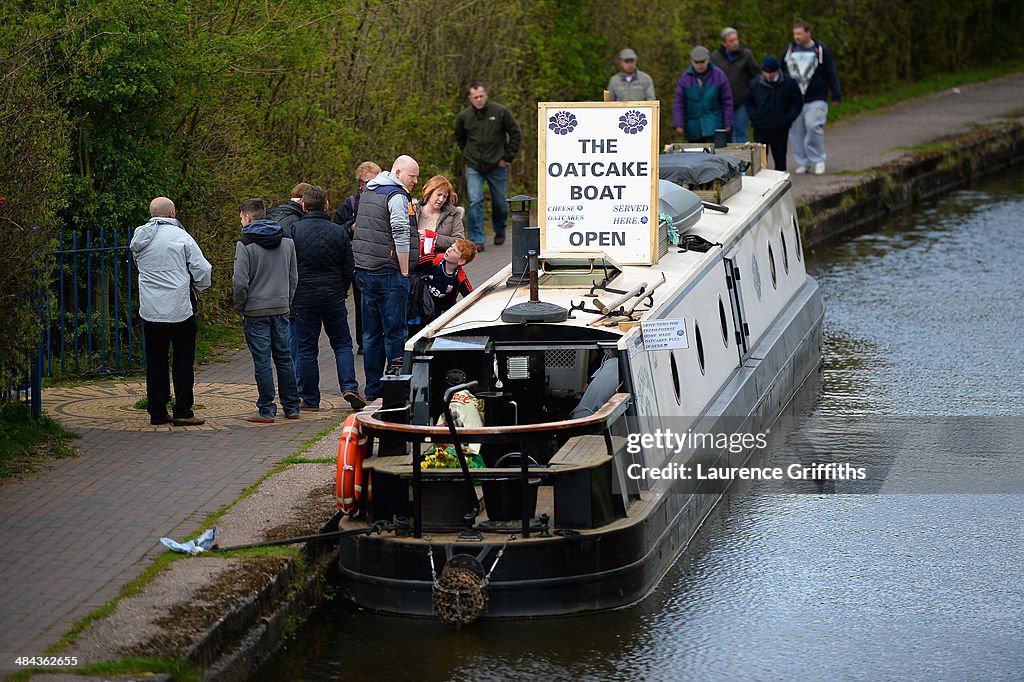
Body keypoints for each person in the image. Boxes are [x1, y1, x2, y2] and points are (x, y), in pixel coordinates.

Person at [130, 197, 212, 426]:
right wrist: (198, 286)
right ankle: (183, 411)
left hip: (150, 309)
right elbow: (202, 269)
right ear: (172, 213)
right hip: (180, 308)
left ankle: (157, 411)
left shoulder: (139, 238)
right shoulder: (182, 237)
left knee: (156, 361)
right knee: (183, 361)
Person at [286, 185, 365, 412]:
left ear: (303, 205)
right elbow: (348, 265)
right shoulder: (338, 231)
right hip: (333, 297)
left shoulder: (294, 231)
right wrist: (341, 290)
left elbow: (289, 266)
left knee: (306, 349)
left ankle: (310, 398)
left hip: (303, 298)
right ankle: (349, 387)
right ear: (326, 205)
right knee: (342, 344)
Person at [352, 155, 420, 401]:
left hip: (364, 270)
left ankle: (372, 389)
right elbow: (400, 231)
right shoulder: (397, 195)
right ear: (398, 171)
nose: (415, 181)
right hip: (389, 271)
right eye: (412, 176)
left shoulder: (369, 191)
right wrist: (404, 270)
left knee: (370, 334)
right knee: (395, 332)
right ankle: (395, 391)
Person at [233, 198, 300, 423]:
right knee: (284, 357)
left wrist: (240, 306)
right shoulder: (286, 241)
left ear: (248, 217)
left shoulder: (245, 244)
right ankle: (291, 406)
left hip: (255, 309)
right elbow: (293, 277)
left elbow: (240, 281)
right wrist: (287, 301)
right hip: (280, 306)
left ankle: (266, 409)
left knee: (262, 359)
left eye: (241, 217)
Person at [454, 82, 522, 251]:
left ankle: (500, 230)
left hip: (497, 165)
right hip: (475, 166)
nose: (479, 100)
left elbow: (515, 133)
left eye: (481, 96)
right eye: (475, 97)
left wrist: (507, 157)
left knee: (499, 202)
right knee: (475, 200)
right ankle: (477, 239)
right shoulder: (464, 117)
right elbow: (460, 138)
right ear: (470, 98)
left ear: (486, 95)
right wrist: (467, 155)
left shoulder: (499, 112)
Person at [780, 20, 842, 174]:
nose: (797, 37)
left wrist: (836, 94)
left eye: (800, 33)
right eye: (795, 34)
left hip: (816, 97)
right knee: (796, 131)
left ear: (808, 33)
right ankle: (803, 162)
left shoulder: (820, 50)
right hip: (794, 99)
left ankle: (818, 159)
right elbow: (781, 72)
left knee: (813, 126)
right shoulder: (790, 50)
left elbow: (830, 72)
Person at [333, 161, 382, 356]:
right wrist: (350, 227)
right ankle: (364, 342)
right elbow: (336, 230)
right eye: (366, 182)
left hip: (380, 259)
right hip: (357, 261)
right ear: (359, 184)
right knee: (362, 303)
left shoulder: (385, 201)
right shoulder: (350, 204)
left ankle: (380, 338)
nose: (370, 187)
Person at [745, 56, 804, 172]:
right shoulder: (755, 84)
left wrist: (788, 118)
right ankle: (762, 184)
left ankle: (781, 182)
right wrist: (754, 117)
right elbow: (749, 102)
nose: (768, 75)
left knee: (780, 158)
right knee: (761, 160)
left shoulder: (789, 83)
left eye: (771, 72)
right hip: (761, 127)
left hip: (780, 128)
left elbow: (797, 102)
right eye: (766, 72)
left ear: (777, 70)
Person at [408, 239, 477, 336]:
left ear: (461, 261)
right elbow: (412, 267)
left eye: (454, 251)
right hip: (419, 306)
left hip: (440, 314)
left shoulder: (460, 277)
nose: (449, 250)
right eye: (451, 247)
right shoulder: (435, 259)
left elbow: (472, 298)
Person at [672, 45, 734, 143]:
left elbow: (727, 101)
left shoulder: (718, 75)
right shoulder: (685, 78)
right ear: (692, 62)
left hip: (714, 127)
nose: (700, 65)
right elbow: (679, 102)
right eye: (696, 62)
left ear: (708, 60)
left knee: (713, 157)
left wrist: (728, 122)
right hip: (693, 129)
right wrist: (678, 123)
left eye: (702, 62)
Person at [710, 28, 760, 143]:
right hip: (721, 103)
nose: (735, 43)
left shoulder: (746, 55)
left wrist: (752, 96)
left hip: (741, 101)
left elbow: (755, 76)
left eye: (736, 40)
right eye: (731, 41)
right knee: (724, 135)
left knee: (740, 133)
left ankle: (741, 159)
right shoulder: (715, 57)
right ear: (724, 43)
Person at [417, 175, 465, 255]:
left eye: (445, 196)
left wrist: (434, 238)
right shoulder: (412, 211)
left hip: (440, 263)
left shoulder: (453, 214)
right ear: (429, 192)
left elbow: (460, 242)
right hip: (413, 263)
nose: (441, 199)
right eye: (439, 195)